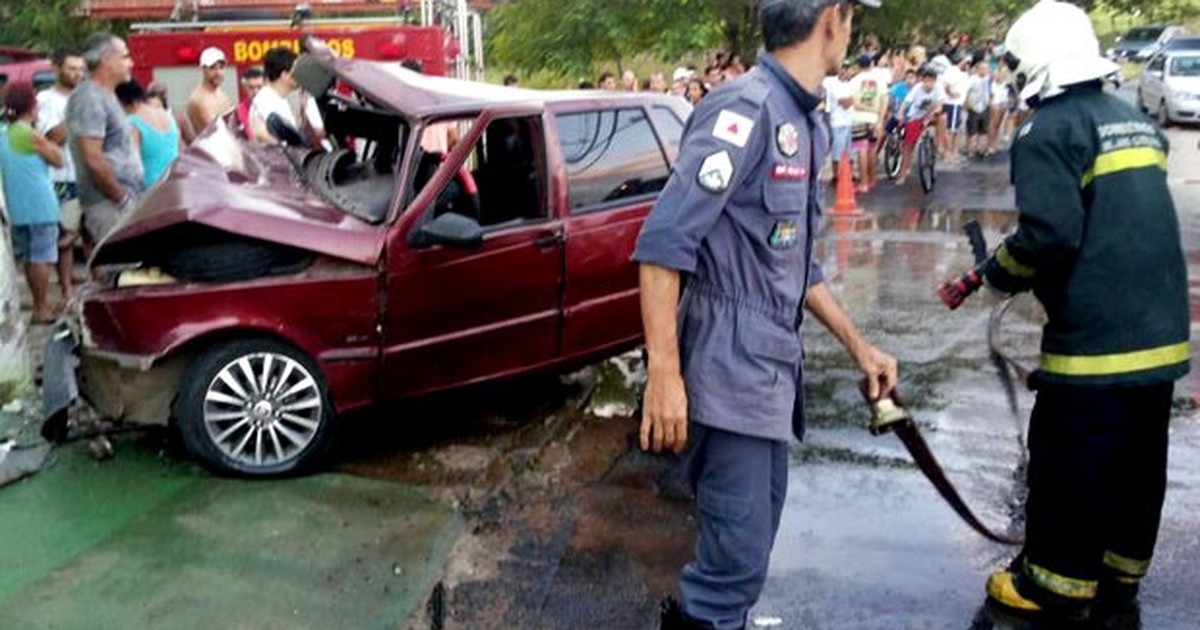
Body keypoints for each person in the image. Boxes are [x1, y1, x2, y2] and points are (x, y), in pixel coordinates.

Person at [633, 1, 896, 628]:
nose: (852, 32)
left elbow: (795, 265)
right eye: (853, 17)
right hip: (730, 371)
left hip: (769, 373)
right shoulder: (743, 110)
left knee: (746, 556)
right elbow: (662, 247)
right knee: (732, 568)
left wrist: (861, 348)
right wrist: (664, 377)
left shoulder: (798, 119)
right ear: (832, 18)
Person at [938, 1, 1189, 623]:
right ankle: (1119, 576)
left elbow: (1050, 236)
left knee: (1069, 458)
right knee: (1137, 462)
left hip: (1096, 342)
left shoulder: (1047, 130)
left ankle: (1055, 586)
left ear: (1036, 66)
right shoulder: (1133, 120)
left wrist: (991, 275)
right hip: (1160, 335)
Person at [67, 32, 143, 244]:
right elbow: (93, 157)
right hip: (109, 205)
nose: (131, 63)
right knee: (120, 268)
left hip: (121, 201)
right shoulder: (89, 97)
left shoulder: (107, 95)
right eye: (124, 56)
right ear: (105, 60)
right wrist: (121, 198)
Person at [1, 84, 65, 324]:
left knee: (29, 256)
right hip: (40, 204)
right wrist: (53, 140)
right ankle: (41, 307)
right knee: (42, 256)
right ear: (32, 107)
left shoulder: (4, 132)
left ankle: (40, 303)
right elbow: (57, 160)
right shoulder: (30, 134)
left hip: (17, 206)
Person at [36, 47, 85, 303]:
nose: (77, 74)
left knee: (90, 232)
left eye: (80, 69)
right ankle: (66, 290)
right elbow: (53, 136)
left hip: (87, 174)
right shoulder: (46, 99)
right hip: (62, 178)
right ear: (56, 69)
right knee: (66, 237)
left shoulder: (85, 97)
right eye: (71, 68)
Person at [116, 80, 180, 189]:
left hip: (150, 192)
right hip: (174, 185)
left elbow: (132, 166)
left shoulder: (132, 123)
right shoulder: (166, 115)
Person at [848, 53, 890, 192]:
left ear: (858, 66)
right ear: (871, 65)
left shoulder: (854, 80)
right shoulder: (880, 80)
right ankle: (872, 179)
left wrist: (865, 107)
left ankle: (863, 182)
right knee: (872, 148)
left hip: (859, 118)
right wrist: (880, 117)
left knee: (861, 149)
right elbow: (885, 99)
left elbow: (852, 101)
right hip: (875, 118)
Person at [894, 66, 943, 185]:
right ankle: (903, 173)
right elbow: (907, 102)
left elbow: (940, 106)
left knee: (943, 118)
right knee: (908, 146)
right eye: (926, 81)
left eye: (931, 81)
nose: (929, 84)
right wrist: (900, 113)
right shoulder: (917, 88)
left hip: (930, 115)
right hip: (915, 117)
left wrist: (930, 116)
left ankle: (940, 145)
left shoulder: (938, 88)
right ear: (923, 80)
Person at [249, 47, 300, 144]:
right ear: (284, 75)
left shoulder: (277, 99)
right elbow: (261, 134)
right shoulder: (266, 101)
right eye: (297, 70)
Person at [185, 47, 231, 136]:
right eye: (213, 68)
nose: (218, 73)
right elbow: (217, 132)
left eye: (221, 68)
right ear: (203, 69)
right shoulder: (198, 99)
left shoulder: (221, 94)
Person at [823, 65, 854, 178]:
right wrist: (857, 98)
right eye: (844, 69)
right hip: (837, 122)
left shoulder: (850, 84)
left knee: (849, 152)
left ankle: (848, 176)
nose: (847, 73)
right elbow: (844, 103)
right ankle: (837, 176)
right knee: (837, 152)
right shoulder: (832, 83)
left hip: (849, 121)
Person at [963, 59, 991, 158]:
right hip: (974, 107)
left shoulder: (987, 79)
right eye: (982, 69)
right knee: (972, 130)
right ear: (977, 69)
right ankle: (971, 150)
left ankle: (981, 149)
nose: (984, 71)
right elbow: (965, 91)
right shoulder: (972, 79)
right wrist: (966, 103)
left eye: (986, 69)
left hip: (985, 106)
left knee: (983, 130)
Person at [234, 65, 265, 139]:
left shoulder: (274, 104)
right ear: (245, 88)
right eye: (251, 87)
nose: (255, 92)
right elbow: (252, 137)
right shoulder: (240, 110)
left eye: (259, 87)